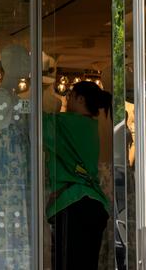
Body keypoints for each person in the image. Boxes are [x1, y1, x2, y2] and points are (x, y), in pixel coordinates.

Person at [45, 80, 112, 268]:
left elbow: (37, 125)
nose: (66, 101)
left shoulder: (68, 123)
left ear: (80, 99)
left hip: (74, 204)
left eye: (70, 96)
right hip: (92, 204)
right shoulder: (90, 126)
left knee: (68, 263)